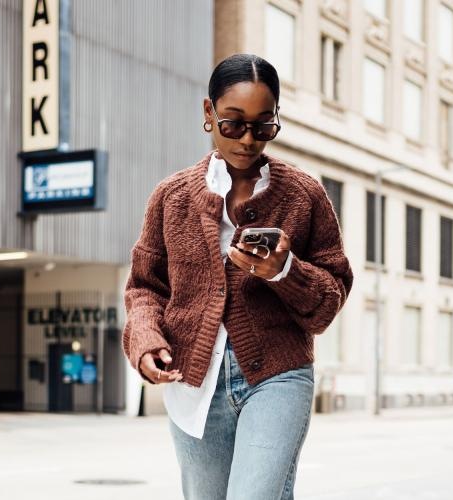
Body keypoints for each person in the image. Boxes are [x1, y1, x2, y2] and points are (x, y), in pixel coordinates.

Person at [122, 53, 353, 500]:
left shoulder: (305, 195)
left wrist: (284, 271)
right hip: (193, 382)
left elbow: (330, 298)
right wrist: (145, 340)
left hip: (278, 376)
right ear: (208, 113)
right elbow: (144, 287)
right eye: (233, 123)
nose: (249, 139)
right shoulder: (170, 198)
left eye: (264, 126)